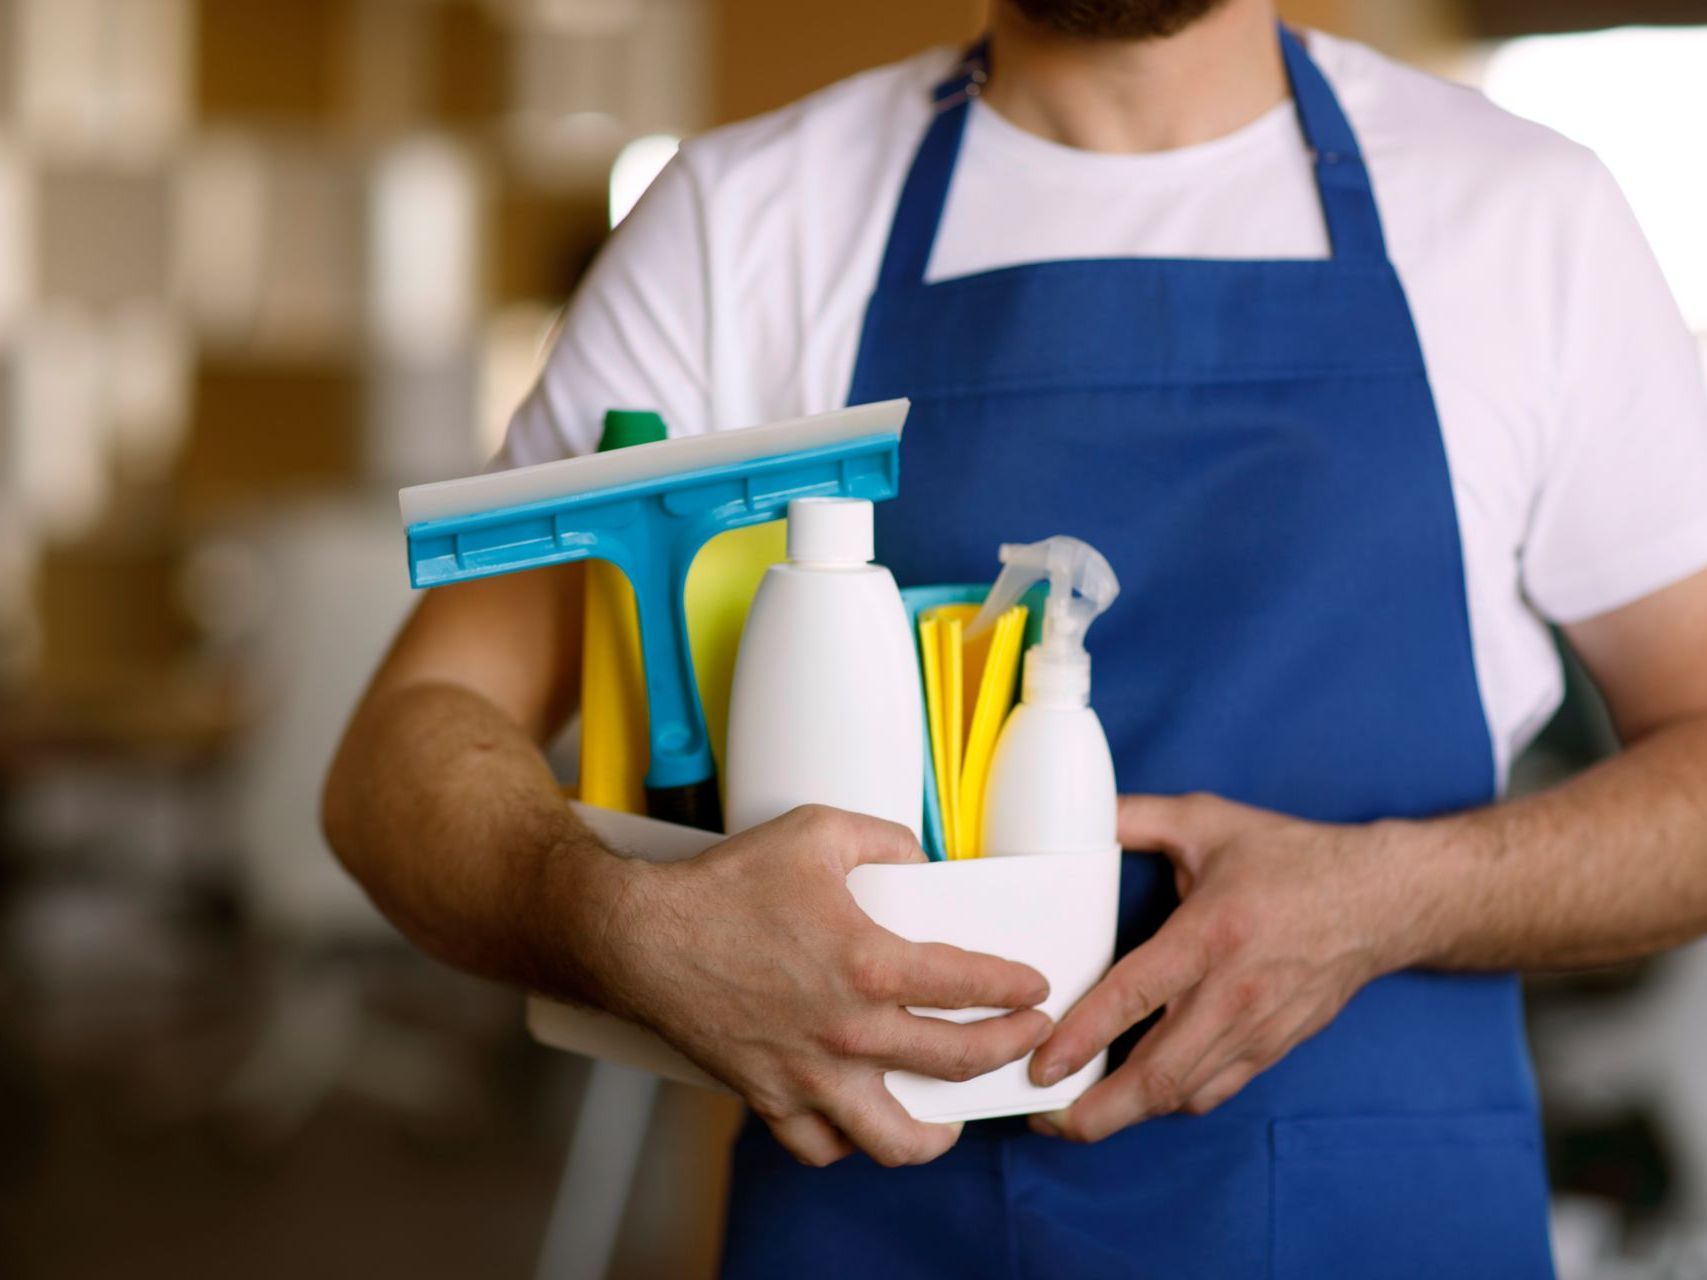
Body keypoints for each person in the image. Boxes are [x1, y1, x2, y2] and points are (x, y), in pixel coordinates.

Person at [323, 0, 1707, 1274]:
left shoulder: (1522, 217)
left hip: (1380, 1221)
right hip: (872, 1224)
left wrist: (1395, 898)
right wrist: (617, 923)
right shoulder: (742, 224)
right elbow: (403, 752)